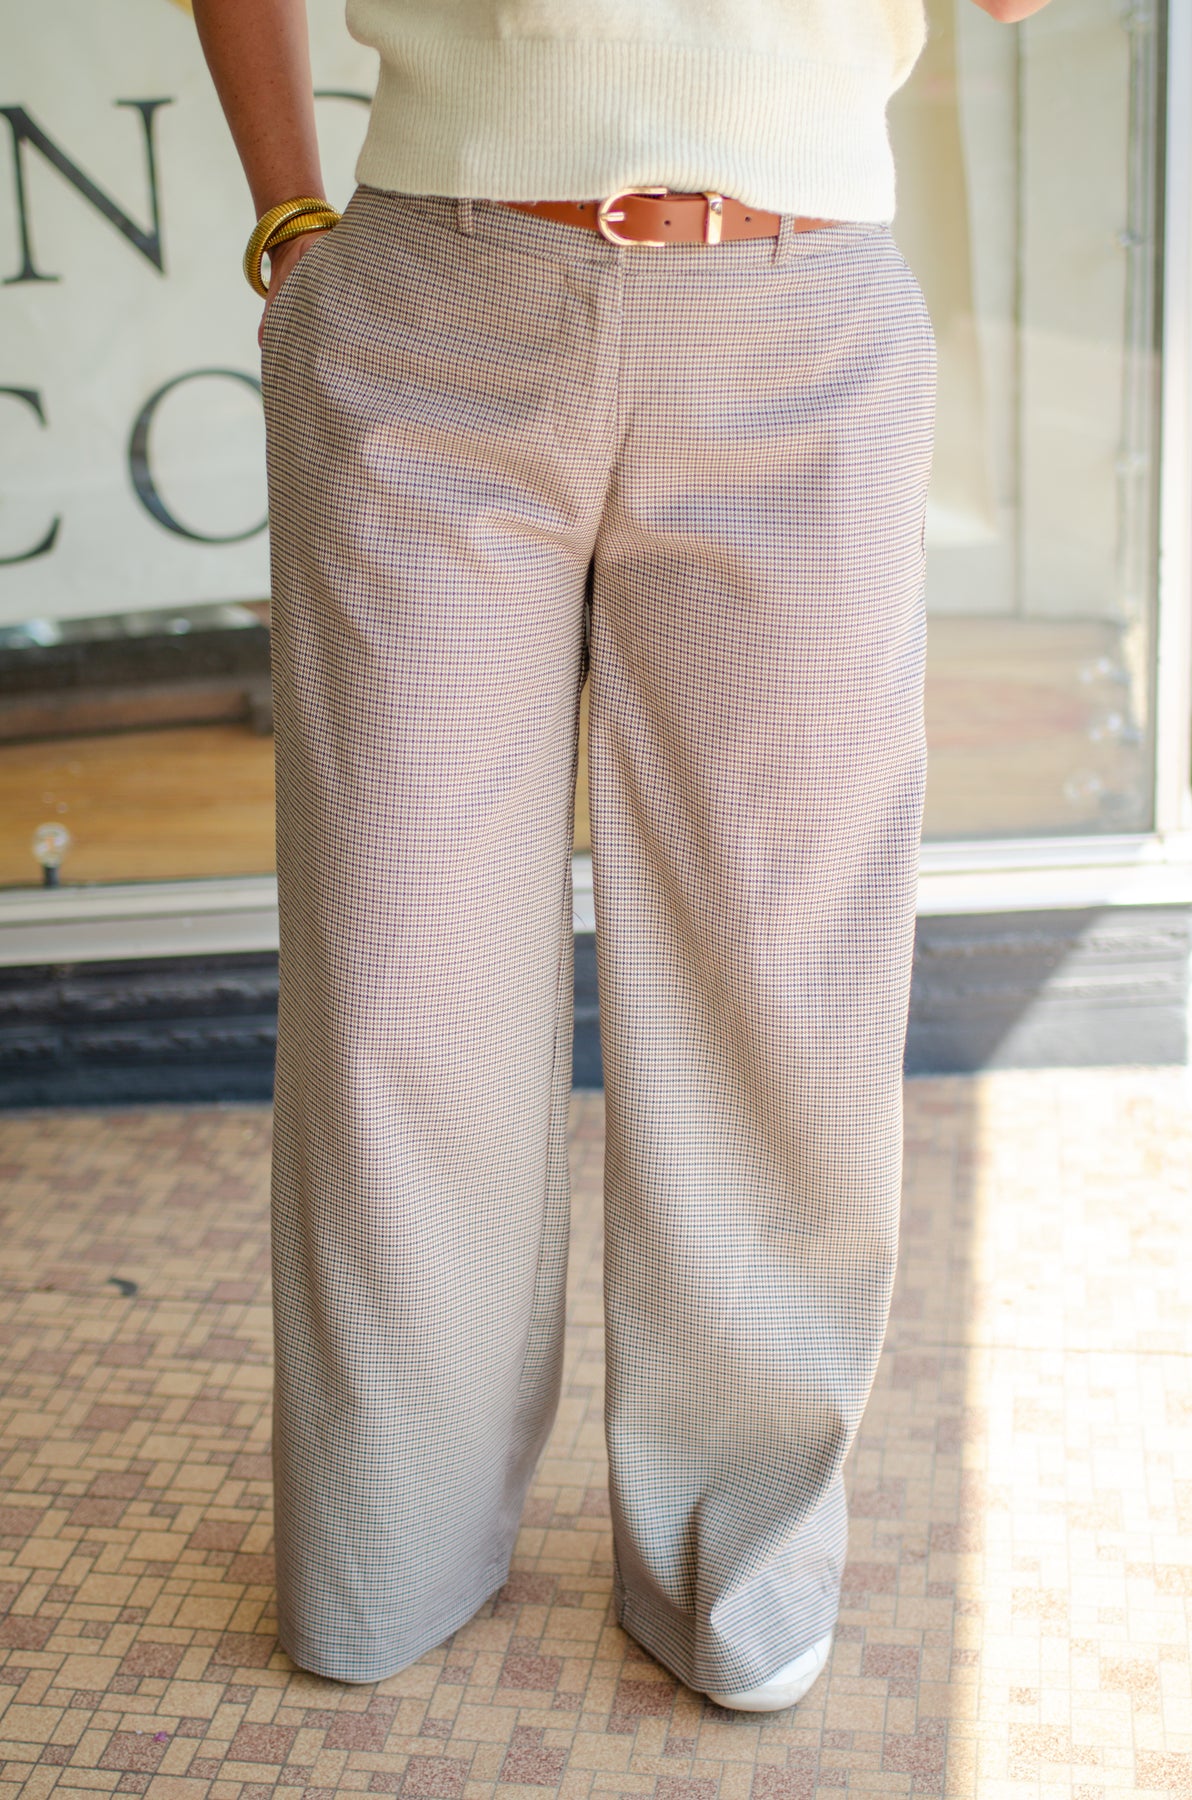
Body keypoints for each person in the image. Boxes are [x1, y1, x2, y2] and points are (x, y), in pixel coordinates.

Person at [191, 0, 1053, 1712]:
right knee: (397, 983)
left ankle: (742, 1555)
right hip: (437, 292)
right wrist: (288, 210)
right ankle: (385, 1539)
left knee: (780, 975)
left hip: (800, 310)